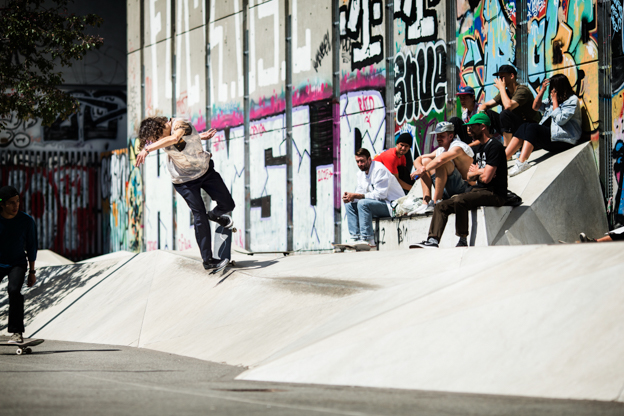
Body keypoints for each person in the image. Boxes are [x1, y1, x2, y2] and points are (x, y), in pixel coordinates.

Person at [135, 117, 235, 271]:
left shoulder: (180, 123)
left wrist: (147, 149)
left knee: (228, 204)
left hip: (205, 171)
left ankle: (214, 215)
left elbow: (175, 138)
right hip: (184, 181)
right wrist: (199, 136)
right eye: (155, 140)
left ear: (161, 127)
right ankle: (208, 260)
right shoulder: (164, 136)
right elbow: (181, 140)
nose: (160, 141)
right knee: (198, 215)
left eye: (158, 137)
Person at [412, 114, 508, 248]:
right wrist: (481, 171)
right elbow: (469, 176)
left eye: (472, 127)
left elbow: (486, 179)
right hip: (479, 189)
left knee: (460, 200)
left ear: (483, 127)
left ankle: (462, 240)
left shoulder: (495, 147)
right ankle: (433, 240)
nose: (468, 130)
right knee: (441, 206)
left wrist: (479, 172)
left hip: (495, 193)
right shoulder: (479, 148)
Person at [507, 74, 582, 176]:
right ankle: (502, 159)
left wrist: (554, 100)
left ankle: (522, 163)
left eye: (553, 88)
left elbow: (560, 120)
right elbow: (535, 107)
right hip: (552, 137)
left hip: (565, 140)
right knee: (524, 126)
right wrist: (542, 91)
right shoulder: (554, 99)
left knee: (533, 128)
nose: (551, 91)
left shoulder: (572, 100)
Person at [343, 148, 405, 247]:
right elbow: (360, 193)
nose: (359, 164)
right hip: (380, 204)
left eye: (362, 161)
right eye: (357, 161)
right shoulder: (360, 174)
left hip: (393, 206)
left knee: (363, 203)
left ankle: (368, 240)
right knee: (350, 204)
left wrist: (357, 196)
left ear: (369, 159)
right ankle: (356, 238)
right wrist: (351, 197)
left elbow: (381, 195)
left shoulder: (379, 170)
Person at [409, 121, 474, 214]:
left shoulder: (458, 147)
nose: (438, 138)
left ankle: (436, 202)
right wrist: (421, 169)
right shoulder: (441, 149)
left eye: (441, 136)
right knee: (426, 160)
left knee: (442, 162)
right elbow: (418, 159)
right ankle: (426, 203)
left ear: (451, 136)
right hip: (447, 189)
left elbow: (441, 160)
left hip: (463, 189)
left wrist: (423, 170)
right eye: (437, 135)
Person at [0, 186, 38, 344]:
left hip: (17, 263)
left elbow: (31, 246)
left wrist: (32, 271)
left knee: (14, 291)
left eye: (17, 202)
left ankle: (16, 333)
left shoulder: (26, 221)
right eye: (11, 203)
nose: (16, 206)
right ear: (2, 204)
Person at [478, 64, 540, 148]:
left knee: (505, 113)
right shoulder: (505, 93)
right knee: (489, 113)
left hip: (528, 127)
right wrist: (481, 114)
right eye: (499, 78)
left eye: (502, 77)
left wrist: (502, 88)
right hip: (515, 128)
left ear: (511, 76)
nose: (500, 81)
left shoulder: (522, 90)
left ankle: (507, 148)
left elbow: (508, 106)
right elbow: (485, 105)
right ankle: (488, 144)